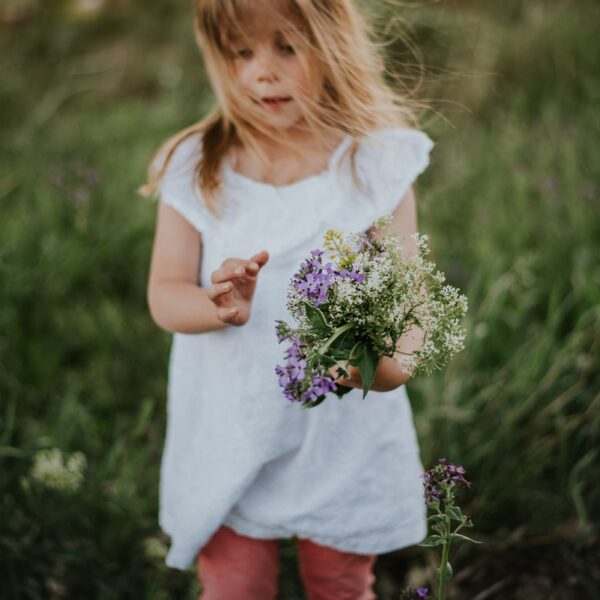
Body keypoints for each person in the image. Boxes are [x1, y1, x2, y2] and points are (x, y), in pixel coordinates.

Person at [141, 0, 434, 597]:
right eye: (241, 52)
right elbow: (165, 296)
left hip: (337, 440)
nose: (260, 72)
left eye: (285, 47)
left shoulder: (372, 165)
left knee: (338, 582)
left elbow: (410, 302)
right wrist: (217, 305)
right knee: (235, 584)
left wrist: (385, 366)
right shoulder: (199, 166)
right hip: (231, 425)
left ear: (332, 44)